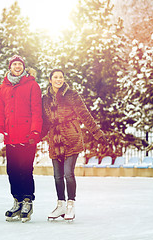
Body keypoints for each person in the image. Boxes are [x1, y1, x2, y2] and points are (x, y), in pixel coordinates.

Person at [42, 69, 106, 221]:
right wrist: (33, 137)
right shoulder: (45, 98)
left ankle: (70, 204)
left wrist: (98, 134)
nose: (59, 79)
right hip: (55, 139)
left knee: (68, 174)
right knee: (57, 176)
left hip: (71, 137)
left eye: (61, 77)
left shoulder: (71, 95)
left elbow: (85, 114)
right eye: (55, 77)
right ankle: (60, 205)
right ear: (50, 80)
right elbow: (44, 121)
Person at [0, 55, 43, 223]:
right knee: (12, 171)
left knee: (25, 169)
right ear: (10, 67)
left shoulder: (32, 85)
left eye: (19, 64)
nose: (17, 67)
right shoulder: (3, 87)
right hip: (10, 136)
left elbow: (37, 110)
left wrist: (35, 131)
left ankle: (28, 200)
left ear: (23, 67)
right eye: (14, 64)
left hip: (27, 136)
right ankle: (17, 200)